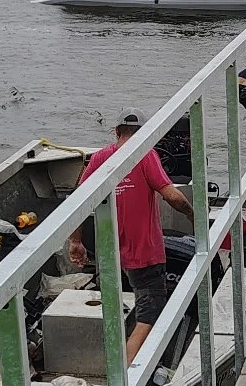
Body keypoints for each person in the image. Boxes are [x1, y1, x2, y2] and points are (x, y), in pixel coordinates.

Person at [69, 113, 194, 362]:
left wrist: (76, 242)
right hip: (144, 254)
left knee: (118, 304)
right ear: (145, 133)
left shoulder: (101, 157)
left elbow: (77, 201)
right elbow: (174, 197)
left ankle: (118, 358)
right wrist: (196, 218)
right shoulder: (146, 155)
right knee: (150, 313)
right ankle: (125, 374)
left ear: (116, 131)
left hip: (110, 255)